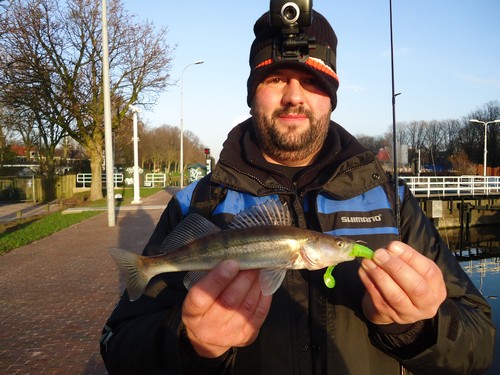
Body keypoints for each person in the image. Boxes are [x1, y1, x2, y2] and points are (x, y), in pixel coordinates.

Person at [100, 8, 495, 375]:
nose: (293, 95)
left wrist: (420, 328)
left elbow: (480, 344)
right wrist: (190, 343)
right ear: (253, 93)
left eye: (312, 81)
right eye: (275, 79)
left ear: (331, 98)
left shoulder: (393, 201)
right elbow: (117, 347)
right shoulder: (196, 204)